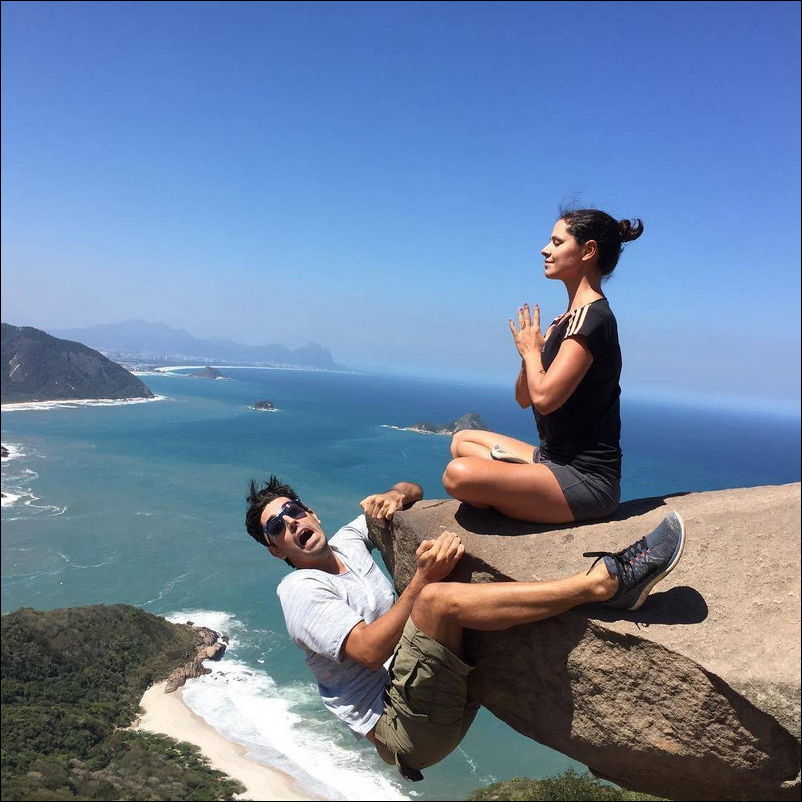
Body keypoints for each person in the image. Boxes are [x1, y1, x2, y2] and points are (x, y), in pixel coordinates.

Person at [244, 475, 685, 781]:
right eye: (277, 528)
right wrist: (422, 579)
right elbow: (368, 651)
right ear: (275, 550)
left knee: (451, 607)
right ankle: (604, 584)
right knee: (435, 600)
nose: (292, 524)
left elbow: (412, 489)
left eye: (293, 511)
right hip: (402, 726)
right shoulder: (299, 590)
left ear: (311, 512)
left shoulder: (348, 542)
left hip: (427, 698)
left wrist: (394, 495)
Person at [443, 208, 644, 524]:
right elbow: (524, 398)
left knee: (459, 474)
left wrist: (532, 353)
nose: (544, 250)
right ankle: (521, 492)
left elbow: (546, 400)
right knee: (462, 441)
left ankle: (518, 495)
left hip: (586, 479)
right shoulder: (564, 320)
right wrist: (530, 355)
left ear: (588, 251)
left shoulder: (593, 319)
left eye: (557, 242)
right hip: (550, 460)